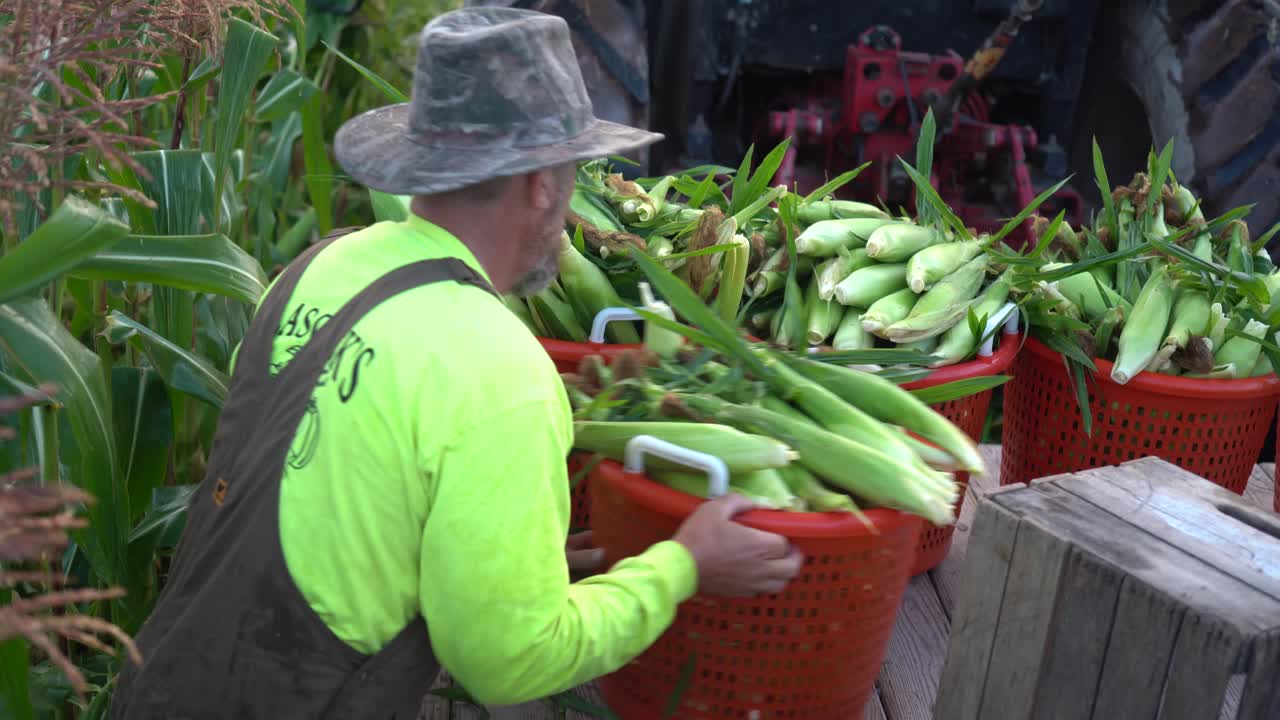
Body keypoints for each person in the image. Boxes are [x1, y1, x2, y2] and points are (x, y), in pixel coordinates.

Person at [109, 7, 803, 719]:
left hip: (160, 686)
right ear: (540, 182)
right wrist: (683, 566)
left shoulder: (320, 266)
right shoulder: (503, 373)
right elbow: (509, 665)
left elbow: (338, 501)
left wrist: (505, 573)